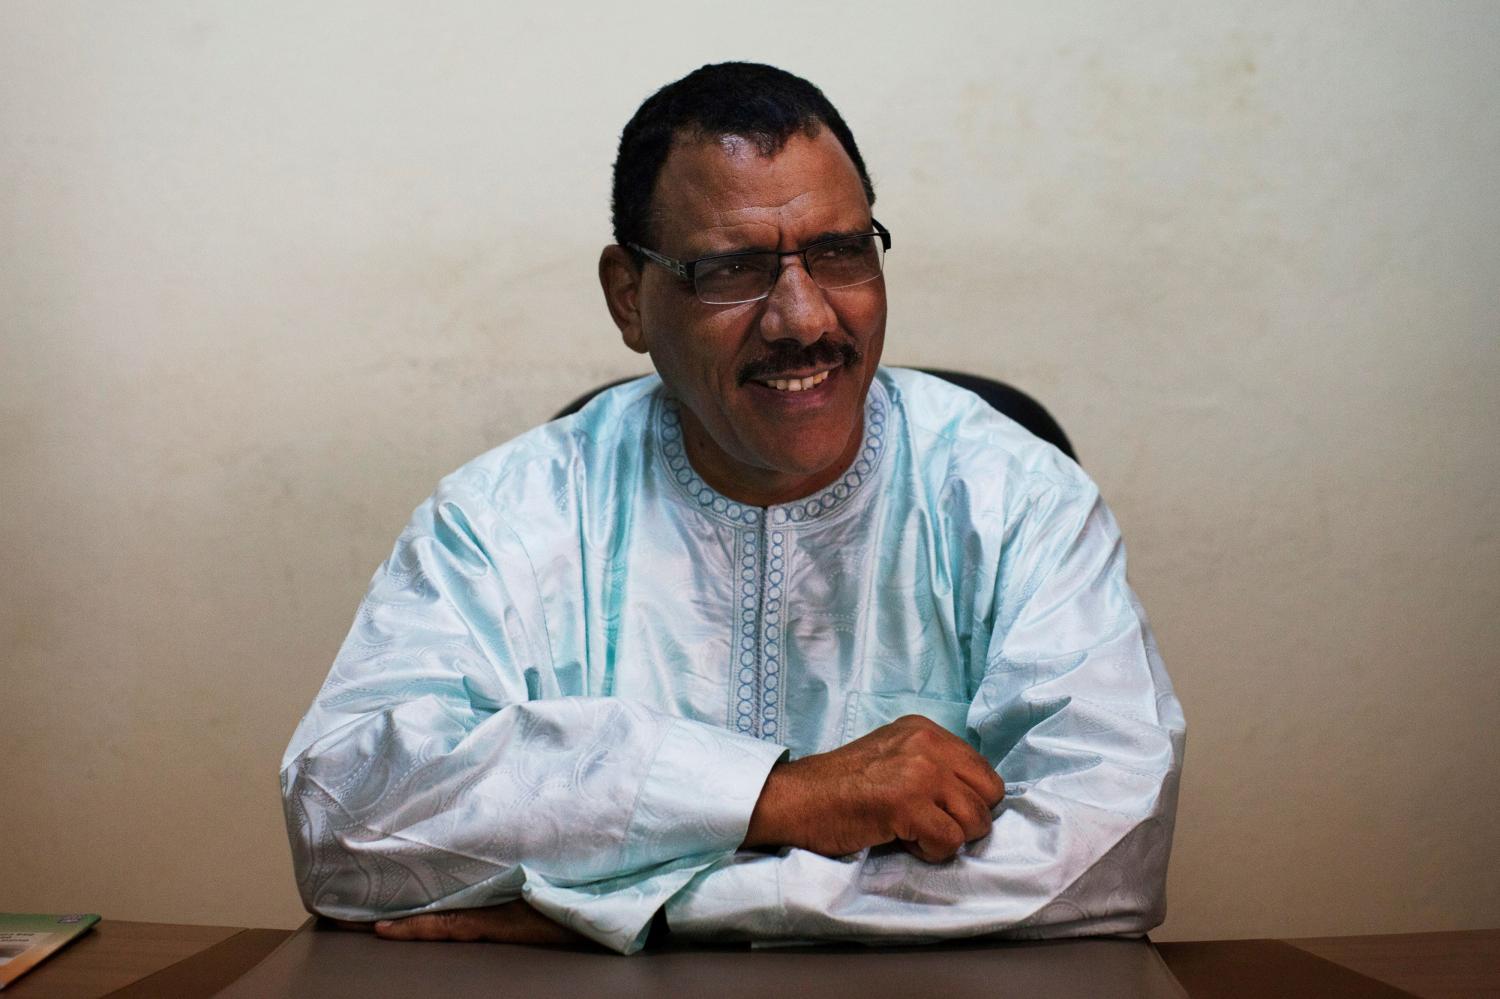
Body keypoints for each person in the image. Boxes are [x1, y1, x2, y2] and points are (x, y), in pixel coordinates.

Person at [281, 62, 1185, 955]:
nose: (803, 317)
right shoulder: (504, 517)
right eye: (734, 268)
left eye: (840, 252)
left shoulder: (1015, 499)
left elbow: (1107, 848)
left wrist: (652, 908)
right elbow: (346, 817)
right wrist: (782, 798)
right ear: (628, 298)